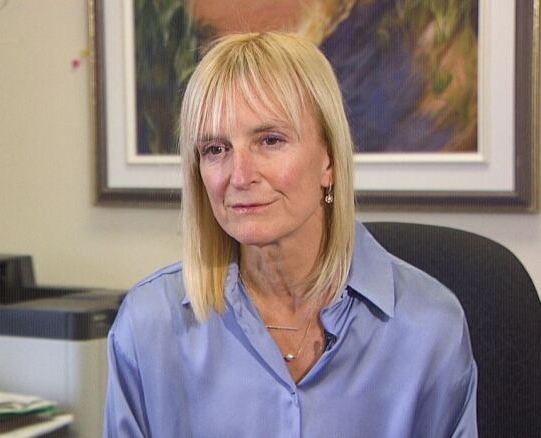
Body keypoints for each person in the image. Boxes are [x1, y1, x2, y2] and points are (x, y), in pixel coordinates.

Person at [103, 32, 477, 437]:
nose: (240, 176)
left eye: (270, 140)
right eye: (215, 149)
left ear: (328, 159)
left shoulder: (428, 327)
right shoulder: (149, 326)